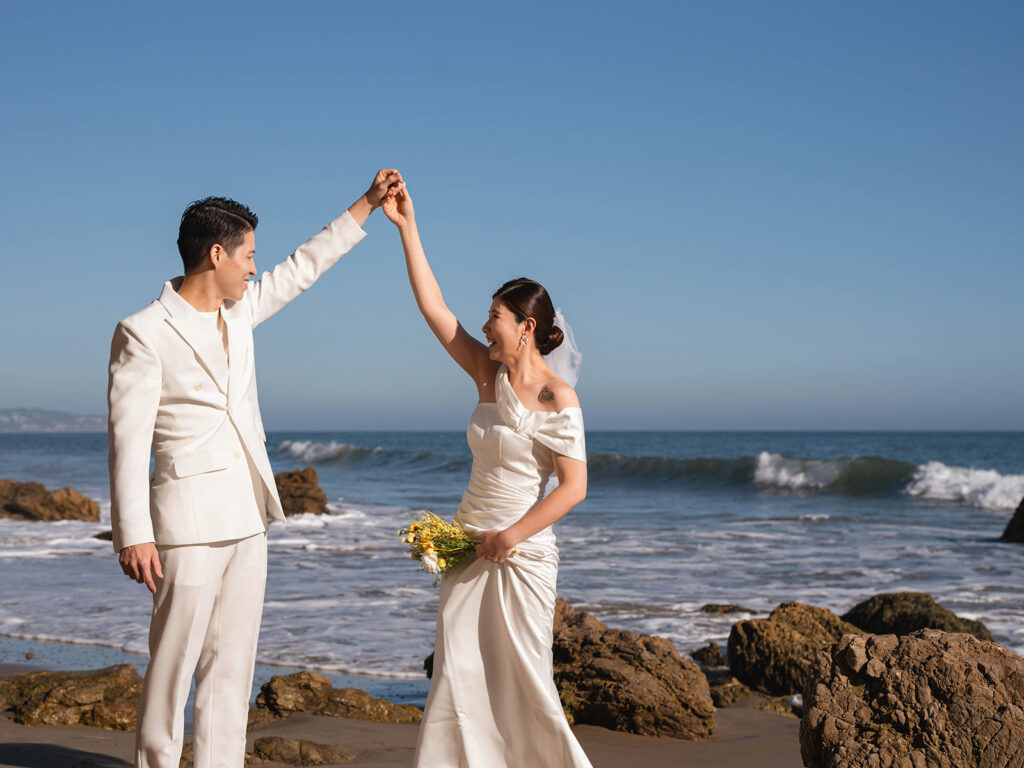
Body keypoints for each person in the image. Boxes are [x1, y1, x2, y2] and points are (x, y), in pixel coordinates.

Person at [107, 169, 402, 768]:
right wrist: (132, 531)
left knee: (232, 666)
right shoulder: (142, 332)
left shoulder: (239, 315)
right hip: (184, 525)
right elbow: (127, 440)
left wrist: (368, 205)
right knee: (172, 669)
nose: (254, 269)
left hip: (248, 516)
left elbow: (303, 267)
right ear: (216, 254)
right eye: (247, 256)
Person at [382, 183, 593, 767]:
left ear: (525, 327)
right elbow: (434, 309)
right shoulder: (485, 373)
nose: (484, 325)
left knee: (526, 683)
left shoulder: (558, 396)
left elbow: (574, 487)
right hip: (465, 545)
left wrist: (510, 537)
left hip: (519, 554)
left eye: (495, 317)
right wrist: (406, 228)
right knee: (458, 677)